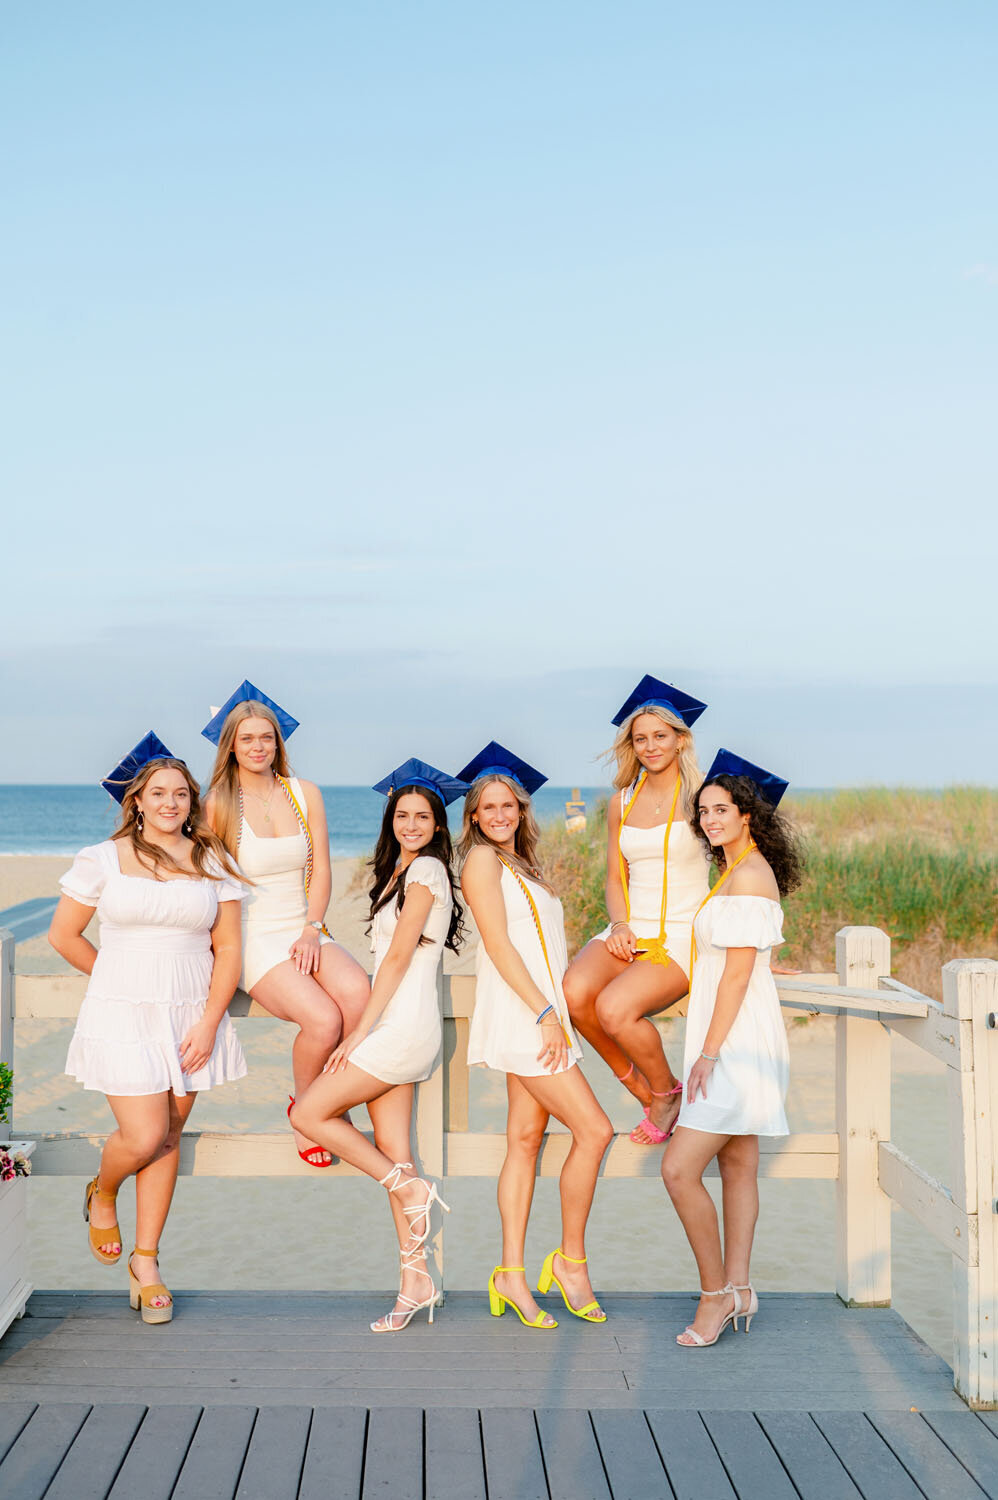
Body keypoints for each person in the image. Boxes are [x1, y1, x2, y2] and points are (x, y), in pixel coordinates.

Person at [49, 733, 247, 1325]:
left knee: (169, 1136)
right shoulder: (102, 859)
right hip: (122, 1011)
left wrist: (210, 1021)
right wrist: (116, 981)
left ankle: (147, 1262)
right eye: (158, 793)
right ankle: (103, 1191)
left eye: (181, 794)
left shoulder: (213, 860)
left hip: (191, 1013)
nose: (170, 803)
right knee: (141, 1135)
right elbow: (64, 936)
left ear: (192, 801)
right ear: (136, 800)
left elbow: (229, 947)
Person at [290, 759, 466, 1331]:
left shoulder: (428, 872)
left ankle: (410, 1188)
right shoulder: (403, 870)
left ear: (439, 825)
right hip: (397, 1022)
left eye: (422, 816)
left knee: (312, 1111)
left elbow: (395, 959)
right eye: (401, 815)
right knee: (396, 1150)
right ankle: (416, 1282)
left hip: (400, 1026)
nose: (410, 824)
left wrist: (359, 1031)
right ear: (390, 821)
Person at [457, 741, 614, 1330]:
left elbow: (545, 946)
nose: (499, 815)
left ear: (523, 811)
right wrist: (547, 1013)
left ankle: (511, 1275)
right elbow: (497, 944)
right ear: (473, 815)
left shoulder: (524, 865)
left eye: (509, 806)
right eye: (488, 807)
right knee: (595, 1130)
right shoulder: (480, 862)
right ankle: (571, 1262)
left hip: (545, 1014)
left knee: (524, 1140)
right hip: (528, 1018)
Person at [661, 749, 804, 1348]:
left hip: (736, 1040)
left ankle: (715, 1295)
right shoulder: (740, 868)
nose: (711, 818)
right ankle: (742, 1287)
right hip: (738, 1029)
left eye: (722, 808)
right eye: (704, 810)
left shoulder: (746, 875)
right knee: (738, 1164)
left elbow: (739, 975)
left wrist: (710, 1052)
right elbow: (740, 964)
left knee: (677, 1169)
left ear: (748, 814)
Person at [203, 679, 369, 1168]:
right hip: (253, 937)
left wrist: (313, 926)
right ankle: (306, 1111)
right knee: (323, 1020)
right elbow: (211, 884)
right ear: (231, 745)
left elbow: (319, 867)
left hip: (305, 925)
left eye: (267, 737)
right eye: (248, 738)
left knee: (359, 995)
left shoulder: (304, 793)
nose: (259, 747)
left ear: (279, 743)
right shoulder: (217, 803)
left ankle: (331, 1102)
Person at [562, 675, 710, 1145]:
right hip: (630, 928)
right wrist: (621, 924)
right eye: (640, 738)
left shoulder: (707, 797)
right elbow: (615, 877)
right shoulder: (620, 802)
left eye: (660, 736)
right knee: (574, 991)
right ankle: (642, 1091)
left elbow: (742, 869)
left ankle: (667, 1093)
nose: (649, 746)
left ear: (681, 739)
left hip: (682, 934)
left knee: (615, 1007)